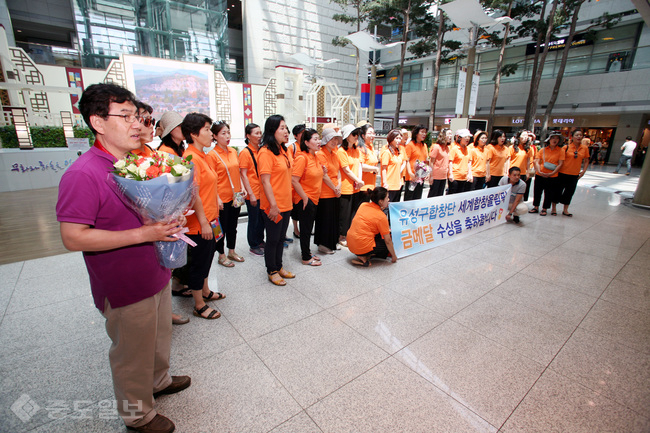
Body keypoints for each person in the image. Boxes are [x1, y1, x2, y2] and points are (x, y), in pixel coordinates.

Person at [56, 83, 190, 433]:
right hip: (124, 284)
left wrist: (167, 219)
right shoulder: (84, 173)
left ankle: (159, 381)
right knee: (131, 354)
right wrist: (144, 233)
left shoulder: (138, 162)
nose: (137, 124)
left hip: (156, 270)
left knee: (159, 337)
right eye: (126, 116)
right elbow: (73, 237)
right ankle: (137, 415)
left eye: (139, 116)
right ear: (98, 122)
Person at [135, 101, 190, 326]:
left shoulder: (160, 151)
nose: (150, 125)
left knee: (166, 267)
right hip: (152, 222)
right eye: (146, 121)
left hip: (169, 216)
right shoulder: (163, 151)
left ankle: (165, 310)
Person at [181, 113, 226, 319]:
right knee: (199, 263)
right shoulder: (190, 158)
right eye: (207, 129)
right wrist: (203, 222)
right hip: (200, 223)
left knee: (208, 257)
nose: (211, 133)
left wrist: (216, 199)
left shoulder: (204, 155)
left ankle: (206, 292)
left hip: (211, 217)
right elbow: (194, 194)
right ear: (193, 134)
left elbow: (209, 185)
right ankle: (199, 304)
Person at [258, 114, 295, 286]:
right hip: (272, 205)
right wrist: (273, 205)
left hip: (286, 203)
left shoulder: (284, 151)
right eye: (282, 128)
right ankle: (271, 270)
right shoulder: (265, 153)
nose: (286, 131)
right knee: (272, 239)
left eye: (286, 128)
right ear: (272, 131)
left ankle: (279, 266)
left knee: (281, 238)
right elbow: (265, 181)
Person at [207, 121, 247, 267]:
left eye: (228, 132)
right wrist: (216, 198)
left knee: (232, 226)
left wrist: (242, 187)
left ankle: (232, 251)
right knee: (219, 228)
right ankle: (221, 255)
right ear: (215, 136)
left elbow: (237, 173)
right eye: (223, 133)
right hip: (221, 198)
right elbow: (211, 180)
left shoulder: (233, 151)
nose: (227, 136)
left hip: (235, 196)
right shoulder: (212, 155)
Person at [291, 128, 324, 266]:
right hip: (305, 200)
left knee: (308, 228)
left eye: (318, 138)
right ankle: (305, 257)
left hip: (313, 198)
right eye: (315, 139)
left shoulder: (315, 157)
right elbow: (294, 180)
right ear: (306, 142)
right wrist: (305, 198)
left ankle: (308, 252)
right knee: (305, 230)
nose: (319, 141)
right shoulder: (301, 157)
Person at [347, 187, 398, 267]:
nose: (388, 199)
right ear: (380, 201)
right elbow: (387, 240)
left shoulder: (363, 205)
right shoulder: (381, 216)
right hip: (361, 246)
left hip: (350, 243)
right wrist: (394, 256)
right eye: (387, 198)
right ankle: (363, 257)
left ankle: (364, 254)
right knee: (387, 245)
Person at [315, 127, 342, 255]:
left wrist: (339, 186)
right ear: (325, 139)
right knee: (325, 219)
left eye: (336, 138)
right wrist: (335, 188)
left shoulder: (334, 154)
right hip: (325, 193)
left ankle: (332, 242)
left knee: (333, 219)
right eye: (332, 138)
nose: (334, 141)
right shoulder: (320, 154)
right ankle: (323, 244)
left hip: (335, 192)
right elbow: (324, 175)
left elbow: (338, 172)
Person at [240, 122, 266, 256]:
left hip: (262, 192)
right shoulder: (246, 152)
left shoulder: (260, 150)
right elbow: (243, 174)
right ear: (248, 136)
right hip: (253, 193)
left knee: (261, 220)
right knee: (254, 220)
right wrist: (251, 194)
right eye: (256, 133)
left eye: (260, 133)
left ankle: (260, 241)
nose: (259, 136)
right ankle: (253, 244)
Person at [338, 124, 365, 247]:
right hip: (346, 187)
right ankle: (341, 235)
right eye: (354, 134)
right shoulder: (341, 151)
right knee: (344, 214)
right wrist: (357, 180)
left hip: (356, 187)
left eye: (357, 135)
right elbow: (346, 169)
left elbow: (359, 166)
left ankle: (349, 234)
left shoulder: (356, 150)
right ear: (346, 136)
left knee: (353, 213)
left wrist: (359, 181)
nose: (356, 137)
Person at [531, 130, 565, 216]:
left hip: (553, 176)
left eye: (557, 138)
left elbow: (560, 164)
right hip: (540, 175)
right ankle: (536, 207)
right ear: (549, 139)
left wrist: (552, 173)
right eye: (553, 138)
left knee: (549, 192)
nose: (555, 140)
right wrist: (539, 171)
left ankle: (545, 208)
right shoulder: (543, 150)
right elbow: (537, 161)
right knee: (537, 191)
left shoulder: (561, 151)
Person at [558, 128, 590, 217]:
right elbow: (560, 160)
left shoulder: (584, 148)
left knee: (569, 192)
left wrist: (583, 171)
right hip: (562, 173)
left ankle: (565, 210)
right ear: (572, 137)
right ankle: (554, 208)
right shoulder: (566, 147)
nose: (579, 137)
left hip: (574, 174)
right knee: (558, 191)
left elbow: (586, 160)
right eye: (577, 135)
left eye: (580, 135)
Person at [288, 124, 306, 240]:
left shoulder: (307, 146)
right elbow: (290, 164)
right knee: (294, 209)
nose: (304, 135)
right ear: (295, 136)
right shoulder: (292, 148)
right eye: (301, 133)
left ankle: (303, 228)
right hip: (294, 184)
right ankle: (295, 228)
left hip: (304, 184)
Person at [380, 128, 406, 203]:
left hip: (397, 185)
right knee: (387, 206)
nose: (399, 141)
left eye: (400, 139)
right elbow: (383, 169)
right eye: (397, 138)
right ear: (391, 139)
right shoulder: (387, 152)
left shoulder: (398, 152)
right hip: (389, 185)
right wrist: (385, 183)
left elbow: (402, 164)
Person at [404, 124, 429, 200]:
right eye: (422, 132)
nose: (424, 134)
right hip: (412, 177)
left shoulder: (424, 145)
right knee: (409, 196)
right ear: (416, 133)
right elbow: (407, 160)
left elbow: (425, 160)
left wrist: (427, 172)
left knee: (418, 197)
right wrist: (410, 173)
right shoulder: (410, 145)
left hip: (421, 176)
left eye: (425, 132)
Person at [509, 130, 535, 201]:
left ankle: (519, 204)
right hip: (512, 173)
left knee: (521, 191)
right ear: (518, 137)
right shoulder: (512, 148)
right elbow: (508, 160)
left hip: (522, 173)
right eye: (523, 135)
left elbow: (529, 161)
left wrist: (528, 172)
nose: (525, 137)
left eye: (526, 136)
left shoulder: (529, 148)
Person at [358, 122, 380, 199]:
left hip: (371, 184)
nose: (372, 135)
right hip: (363, 186)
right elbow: (360, 165)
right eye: (369, 133)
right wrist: (374, 168)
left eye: (373, 133)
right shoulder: (361, 148)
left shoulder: (371, 146)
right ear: (363, 135)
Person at [448, 129, 473, 194]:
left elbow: (469, 162)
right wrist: (450, 174)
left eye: (468, 137)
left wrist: (469, 174)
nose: (467, 139)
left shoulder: (469, 149)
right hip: (455, 177)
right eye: (465, 137)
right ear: (460, 138)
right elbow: (450, 162)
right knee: (453, 194)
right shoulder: (455, 149)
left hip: (464, 177)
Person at [428, 128, 452, 197]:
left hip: (443, 176)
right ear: (443, 135)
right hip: (436, 175)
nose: (451, 136)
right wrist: (431, 176)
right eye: (449, 134)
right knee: (433, 195)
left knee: (440, 195)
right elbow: (431, 162)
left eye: (451, 134)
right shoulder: (437, 147)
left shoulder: (447, 148)